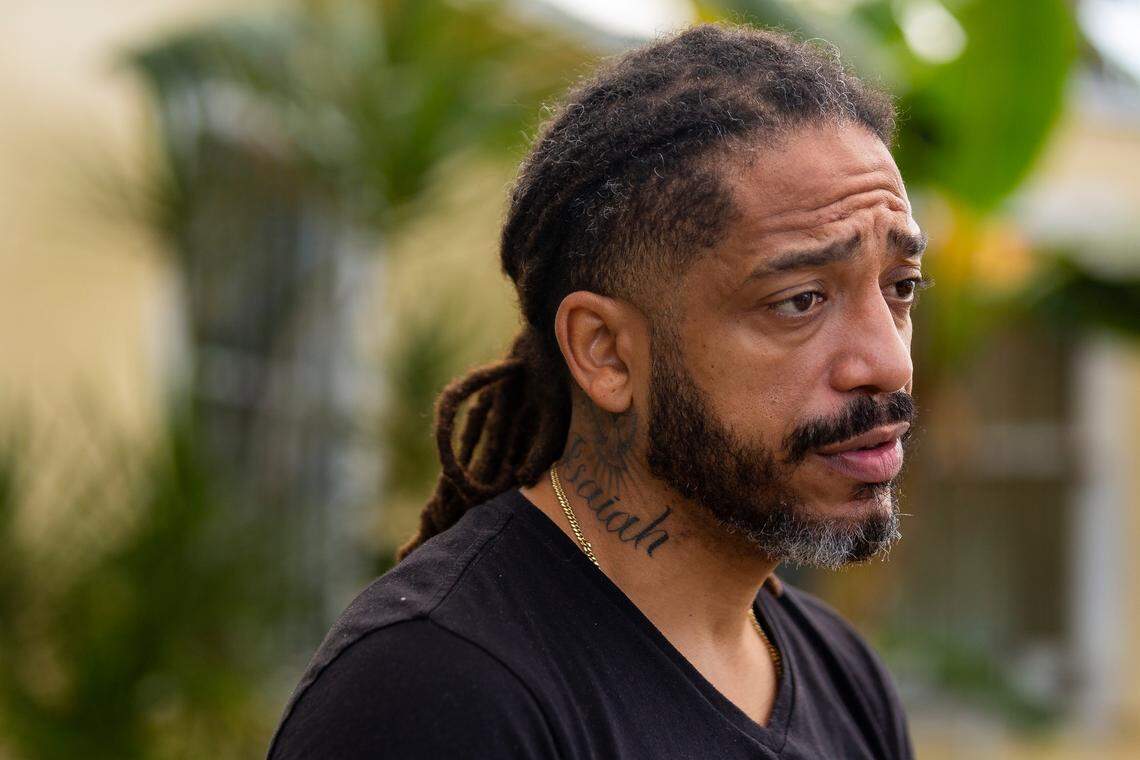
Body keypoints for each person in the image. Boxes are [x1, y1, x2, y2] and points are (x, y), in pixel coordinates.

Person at [268, 22, 925, 759]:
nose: (889, 363)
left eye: (900, 288)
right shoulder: (435, 693)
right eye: (801, 299)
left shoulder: (846, 679)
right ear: (606, 352)